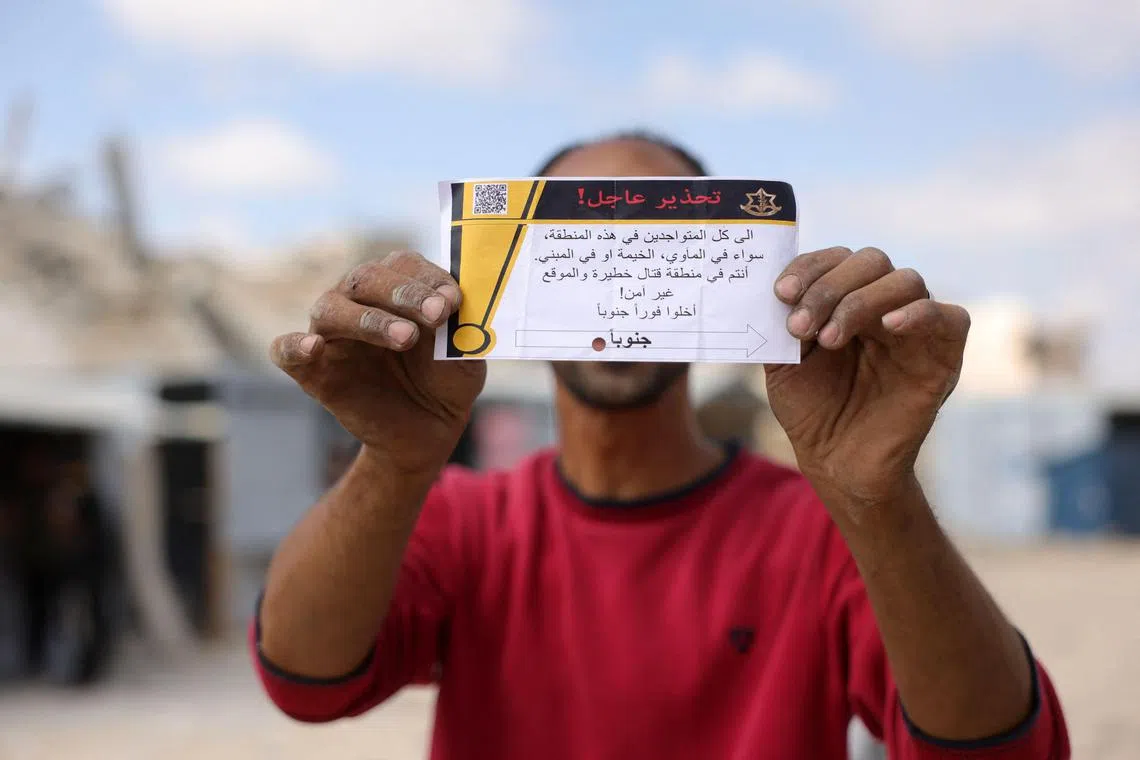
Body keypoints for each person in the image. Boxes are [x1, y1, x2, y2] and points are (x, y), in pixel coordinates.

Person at [251, 133, 1070, 759]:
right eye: (581, 234)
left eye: (661, 231)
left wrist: (877, 496)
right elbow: (303, 681)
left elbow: (1006, 748)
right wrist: (392, 461)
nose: (621, 270)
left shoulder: (824, 529)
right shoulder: (462, 519)